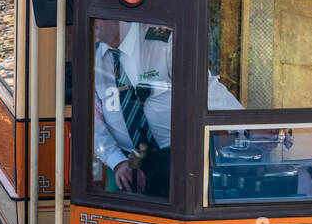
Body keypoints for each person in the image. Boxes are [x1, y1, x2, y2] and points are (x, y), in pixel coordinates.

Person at [93, 21, 241, 196]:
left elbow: (205, 90)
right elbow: (91, 120)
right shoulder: (91, 56)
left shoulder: (162, 42)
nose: (93, 21)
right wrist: (117, 161)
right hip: (124, 162)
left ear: (114, 14)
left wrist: (246, 127)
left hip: (176, 158)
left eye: (98, 13)